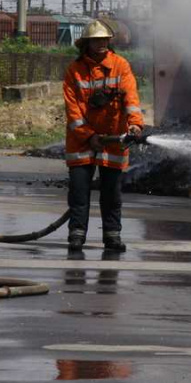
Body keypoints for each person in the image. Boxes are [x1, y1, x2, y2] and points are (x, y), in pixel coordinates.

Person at [63, 19, 143, 252]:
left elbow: (131, 99)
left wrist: (135, 125)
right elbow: (73, 111)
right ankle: (77, 236)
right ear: (86, 43)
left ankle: (112, 236)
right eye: (96, 40)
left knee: (112, 194)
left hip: (114, 139)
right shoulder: (74, 71)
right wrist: (89, 136)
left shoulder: (120, 66)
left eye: (105, 40)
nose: (101, 44)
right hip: (81, 140)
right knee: (79, 193)